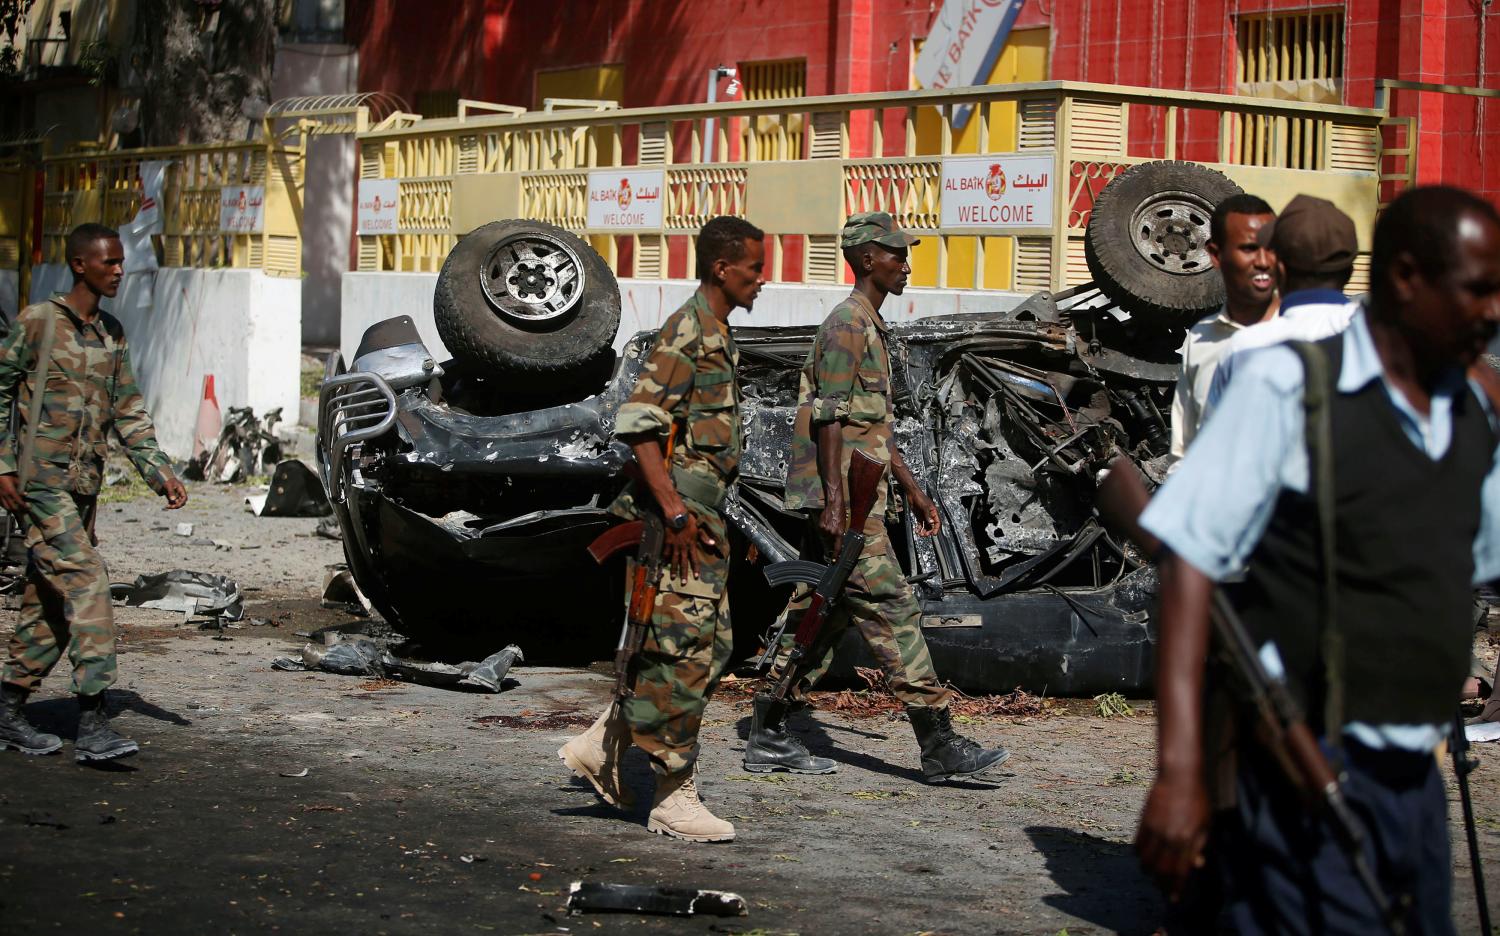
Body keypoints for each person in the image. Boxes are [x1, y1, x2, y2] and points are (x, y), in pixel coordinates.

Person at [1136, 185, 1500, 933]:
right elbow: (1188, 556)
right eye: (1478, 290)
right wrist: (1178, 774)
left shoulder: (1469, 410)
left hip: (1418, 781)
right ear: (1403, 277)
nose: (1493, 311)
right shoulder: (1287, 382)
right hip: (1311, 767)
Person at [743, 211, 1010, 784]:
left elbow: (873, 430)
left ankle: (768, 726)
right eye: (896, 254)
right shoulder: (847, 324)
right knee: (895, 610)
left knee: (826, 614)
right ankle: (937, 742)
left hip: (862, 499)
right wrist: (837, 505)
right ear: (867, 260)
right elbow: (829, 418)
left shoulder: (870, 324)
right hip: (847, 506)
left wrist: (914, 492)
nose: (905, 264)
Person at [557, 215, 764, 843]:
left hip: (703, 516)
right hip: (681, 523)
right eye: (754, 267)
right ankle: (673, 796)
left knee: (713, 644)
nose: (763, 278)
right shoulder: (688, 332)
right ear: (722, 268)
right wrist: (673, 508)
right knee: (684, 655)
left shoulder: (717, 331)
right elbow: (639, 422)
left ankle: (607, 742)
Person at [0, 223, 188, 763]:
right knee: (88, 581)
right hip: (40, 485)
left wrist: (161, 474)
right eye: (109, 263)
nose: (119, 271)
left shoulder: (111, 333)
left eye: (121, 262)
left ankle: (9, 709)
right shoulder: (38, 323)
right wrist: (4, 465)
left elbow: (128, 411)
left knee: (51, 604)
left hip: (83, 489)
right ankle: (93, 721)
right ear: (80, 264)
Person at [1204, 193, 1362, 415]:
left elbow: (1215, 443)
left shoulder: (1245, 347)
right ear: (1349, 273)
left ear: (1280, 269)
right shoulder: (1377, 339)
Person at [1167, 194, 1278, 463]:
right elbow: (1183, 450)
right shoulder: (1201, 339)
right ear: (1215, 256)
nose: (1264, 261)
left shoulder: (1308, 334)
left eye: (1272, 248)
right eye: (1249, 249)